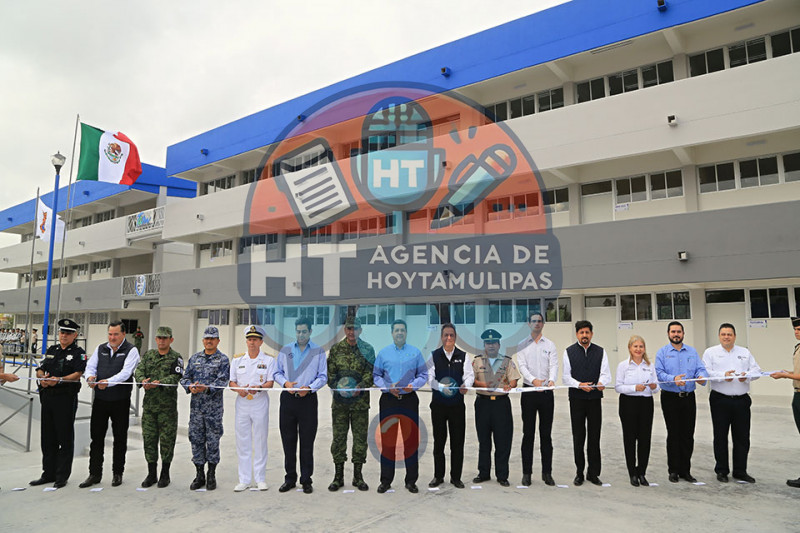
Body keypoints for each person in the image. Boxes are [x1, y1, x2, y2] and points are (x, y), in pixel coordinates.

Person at [80, 321, 140, 488]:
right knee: (96, 438)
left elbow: (126, 373)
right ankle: (94, 474)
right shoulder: (101, 349)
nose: (112, 338)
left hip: (120, 401)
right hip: (100, 400)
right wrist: (90, 377)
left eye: (116, 334)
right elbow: (90, 367)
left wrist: (108, 382)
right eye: (110, 334)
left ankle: (117, 473)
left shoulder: (131, 350)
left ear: (123, 334)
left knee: (120, 438)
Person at [29, 319, 86, 489]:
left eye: (68, 333)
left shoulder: (78, 353)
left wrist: (59, 380)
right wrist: (42, 377)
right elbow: (41, 368)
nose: (64, 336)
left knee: (64, 437)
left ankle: (61, 476)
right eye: (62, 332)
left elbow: (78, 373)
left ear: (75, 335)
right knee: (48, 437)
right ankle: (48, 473)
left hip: (65, 398)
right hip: (48, 397)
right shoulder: (52, 350)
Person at [273, 317, 327, 494]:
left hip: (308, 401)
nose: (301, 334)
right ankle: (290, 478)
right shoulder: (286, 350)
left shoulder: (318, 352)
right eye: (298, 331)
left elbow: (323, 376)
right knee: (288, 441)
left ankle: (306, 480)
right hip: (288, 399)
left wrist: (310, 388)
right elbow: (276, 372)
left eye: (304, 331)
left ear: (310, 331)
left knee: (307, 442)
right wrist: (285, 383)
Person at [374, 319, 428, 494]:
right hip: (388, 400)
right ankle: (386, 481)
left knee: (410, 441)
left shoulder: (415, 353)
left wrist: (413, 385)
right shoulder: (383, 353)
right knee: (388, 441)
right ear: (391, 333)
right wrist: (387, 387)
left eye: (402, 330)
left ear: (406, 333)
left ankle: (411, 481)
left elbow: (423, 374)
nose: (399, 333)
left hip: (408, 400)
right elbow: (376, 375)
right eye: (396, 330)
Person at [703, 323, 761, 483]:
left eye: (729, 334)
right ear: (719, 336)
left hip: (741, 400)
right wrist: (723, 376)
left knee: (742, 437)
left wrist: (746, 376)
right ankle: (722, 470)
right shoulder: (710, 352)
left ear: (734, 336)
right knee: (720, 436)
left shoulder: (744, 352)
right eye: (723, 334)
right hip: (720, 400)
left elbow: (757, 371)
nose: (726, 337)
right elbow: (705, 372)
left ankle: (740, 471)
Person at [655, 321, 708, 483]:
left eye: (679, 331)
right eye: (673, 332)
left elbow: (701, 369)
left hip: (688, 398)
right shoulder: (662, 353)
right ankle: (673, 470)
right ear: (668, 334)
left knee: (688, 435)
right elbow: (659, 373)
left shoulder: (692, 352)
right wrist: (673, 379)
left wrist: (702, 376)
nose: (676, 334)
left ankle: (686, 470)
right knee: (673, 434)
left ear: (683, 334)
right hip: (670, 398)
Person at [327, 316, 375, 492]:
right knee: (339, 438)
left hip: (360, 403)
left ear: (360, 330)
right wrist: (339, 387)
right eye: (348, 328)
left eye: (355, 328)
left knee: (360, 439)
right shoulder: (336, 349)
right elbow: (330, 374)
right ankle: (338, 476)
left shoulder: (368, 349)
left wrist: (360, 386)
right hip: (340, 404)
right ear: (344, 330)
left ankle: (358, 476)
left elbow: (371, 373)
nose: (351, 332)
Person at [180, 326, 230, 491]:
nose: (209, 341)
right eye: (207, 338)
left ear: (218, 341)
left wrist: (207, 388)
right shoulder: (195, 358)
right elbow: (185, 378)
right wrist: (190, 387)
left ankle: (211, 474)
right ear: (203, 340)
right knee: (196, 440)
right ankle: (199, 474)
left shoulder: (223, 360)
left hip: (213, 410)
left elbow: (222, 381)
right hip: (196, 409)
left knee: (213, 441)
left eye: (212, 338)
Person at [563, 320, 611, 487]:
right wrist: (579, 385)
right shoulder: (569, 352)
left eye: (587, 332)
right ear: (577, 334)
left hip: (595, 400)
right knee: (578, 437)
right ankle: (579, 473)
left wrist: (601, 383)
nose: (584, 335)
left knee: (594, 437)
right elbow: (566, 377)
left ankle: (593, 473)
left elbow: (606, 374)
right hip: (576, 399)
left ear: (591, 334)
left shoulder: (600, 351)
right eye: (581, 332)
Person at [135, 326, 183, 488]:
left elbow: (176, 377)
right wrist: (143, 381)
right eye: (159, 338)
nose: (162, 341)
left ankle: (165, 473)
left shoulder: (176, 357)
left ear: (171, 340)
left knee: (167, 441)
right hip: (149, 407)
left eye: (165, 338)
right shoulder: (149, 355)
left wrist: (160, 383)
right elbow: (139, 371)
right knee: (149, 440)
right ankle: (151, 473)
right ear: (156, 339)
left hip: (167, 408)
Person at [229, 325, 275, 492]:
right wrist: (238, 389)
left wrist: (260, 387)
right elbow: (231, 382)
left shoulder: (268, 360)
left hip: (259, 402)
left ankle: (260, 478)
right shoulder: (237, 360)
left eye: (255, 339)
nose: (252, 342)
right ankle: (244, 479)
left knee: (260, 440)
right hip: (242, 403)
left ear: (261, 342)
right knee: (243, 441)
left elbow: (270, 382)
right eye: (249, 339)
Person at [428, 322, 474, 489]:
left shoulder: (463, 356)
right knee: (439, 442)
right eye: (446, 335)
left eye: (451, 335)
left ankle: (456, 477)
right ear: (441, 337)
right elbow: (430, 378)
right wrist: (440, 387)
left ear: (455, 337)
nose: (449, 338)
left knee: (457, 442)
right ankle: (438, 476)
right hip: (439, 406)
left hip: (457, 407)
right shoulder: (434, 356)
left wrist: (466, 385)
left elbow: (469, 375)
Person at [472, 328, 520, 487]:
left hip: (501, 405)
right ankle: (483, 473)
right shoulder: (477, 361)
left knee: (502, 441)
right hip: (483, 404)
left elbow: (514, 380)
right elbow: (471, 380)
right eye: (488, 343)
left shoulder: (507, 361)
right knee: (483, 440)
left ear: (499, 345)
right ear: (484, 345)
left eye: (493, 343)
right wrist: (484, 385)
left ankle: (502, 475)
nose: (491, 345)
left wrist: (510, 385)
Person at [516, 312, 558, 486]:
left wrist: (551, 380)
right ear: (529, 324)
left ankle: (547, 473)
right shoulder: (522, 345)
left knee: (546, 434)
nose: (537, 323)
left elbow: (554, 365)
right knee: (528, 434)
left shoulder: (550, 344)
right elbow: (522, 366)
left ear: (543, 324)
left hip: (546, 393)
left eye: (539, 321)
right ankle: (527, 473)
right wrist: (534, 381)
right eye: (533, 321)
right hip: (529, 392)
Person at [615, 335, 659, 487]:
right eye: (635, 346)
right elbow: (618, 387)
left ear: (644, 349)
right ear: (630, 348)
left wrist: (654, 387)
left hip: (646, 403)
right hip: (628, 403)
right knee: (630, 438)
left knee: (645, 439)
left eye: (641, 346)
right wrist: (634, 388)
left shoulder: (650, 366)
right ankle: (632, 473)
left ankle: (642, 472)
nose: (638, 349)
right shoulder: (623, 366)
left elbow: (657, 387)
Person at [770, 317, 800, 487]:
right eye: (795, 329)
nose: (796, 332)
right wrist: (788, 372)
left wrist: (784, 375)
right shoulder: (798, 347)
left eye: (799, 329)